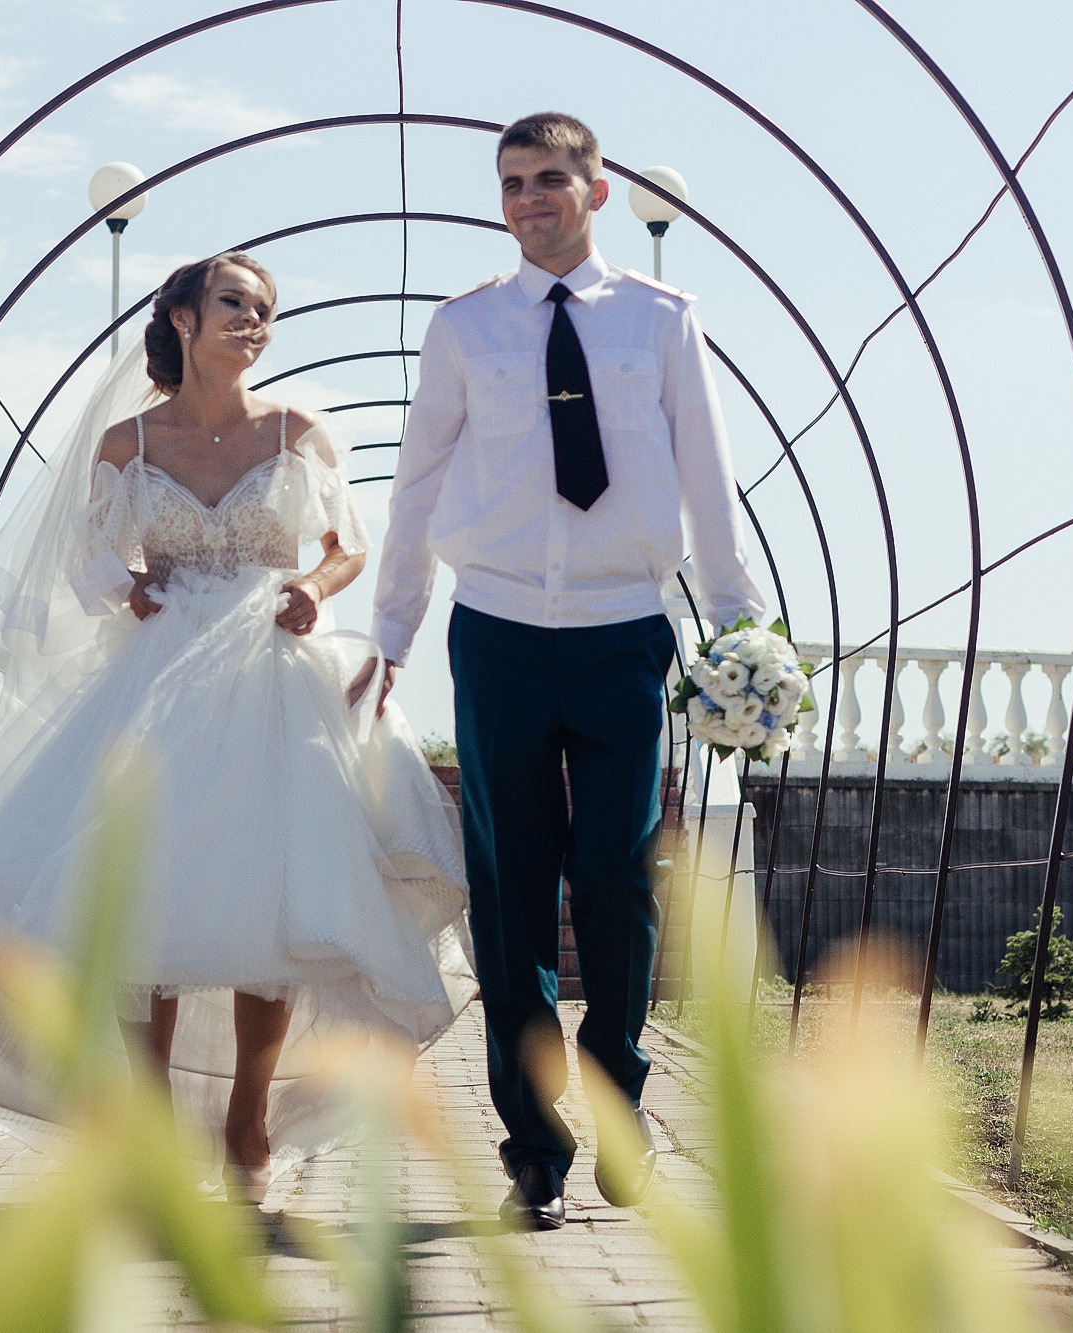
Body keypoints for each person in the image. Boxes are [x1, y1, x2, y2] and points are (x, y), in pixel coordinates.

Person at [0, 251, 475, 1206]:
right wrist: (127, 589)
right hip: (160, 675)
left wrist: (309, 586)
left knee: (280, 894)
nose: (254, 321)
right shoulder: (127, 447)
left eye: (266, 309)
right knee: (151, 888)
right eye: (235, 303)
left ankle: (247, 1119)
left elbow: (349, 550)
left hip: (273, 671)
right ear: (182, 318)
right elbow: (82, 559)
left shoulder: (300, 432)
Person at [362, 112, 766, 1229]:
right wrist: (389, 638)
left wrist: (736, 634)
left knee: (618, 880)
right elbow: (411, 486)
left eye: (548, 179)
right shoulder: (464, 329)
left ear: (594, 188)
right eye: (510, 183)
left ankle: (619, 1094)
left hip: (622, 632)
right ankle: (532, 1144)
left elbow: (706, 476)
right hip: (492, 630)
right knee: (509, 895)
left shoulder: (661, 321)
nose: (528, 197)